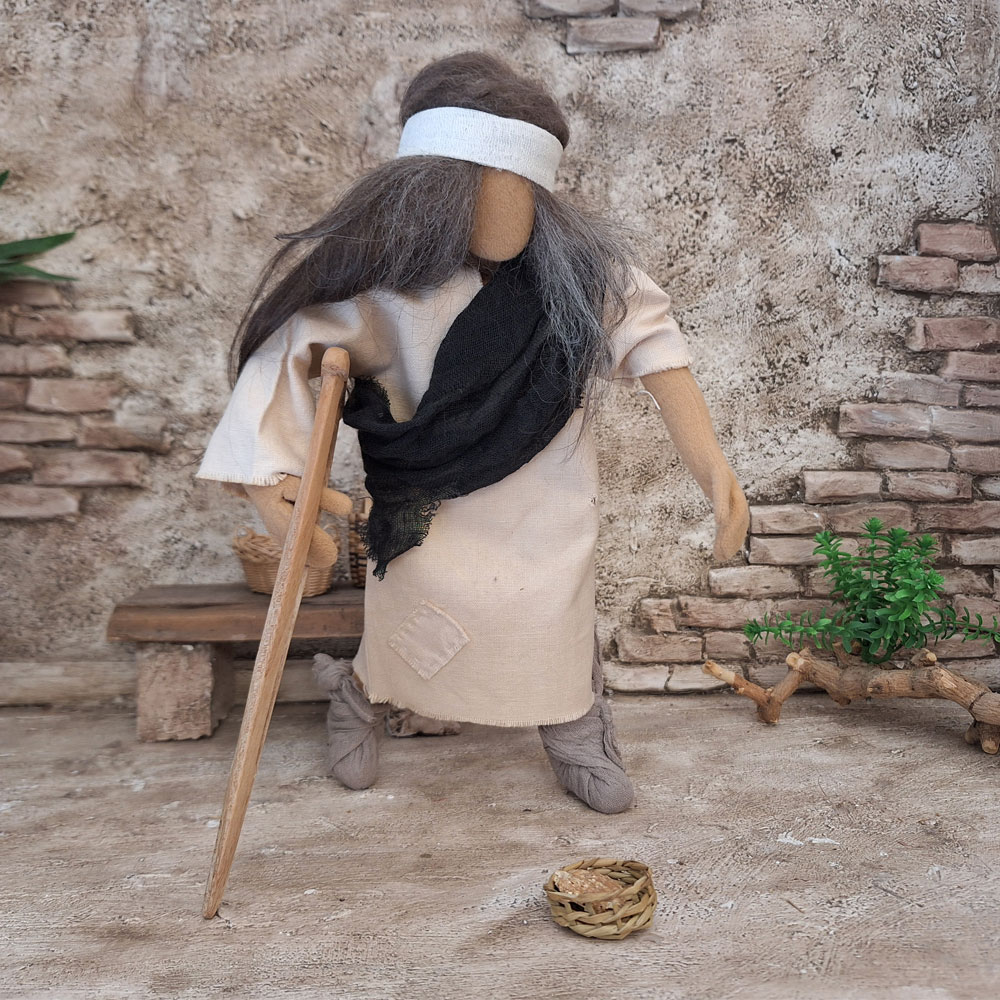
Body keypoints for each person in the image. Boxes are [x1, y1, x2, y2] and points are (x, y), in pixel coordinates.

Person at [197, 52, 749, 814]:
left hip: (546, 504)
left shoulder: (581, 276)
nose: (495, 207)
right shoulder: (384, 287)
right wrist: (272, 482)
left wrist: (714, 471)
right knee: (415, 626)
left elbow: (657, 351)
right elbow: (286, 356)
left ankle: (574, 724)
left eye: (511, 188)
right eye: (478, 187)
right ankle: (361, 694)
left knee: (546, 620)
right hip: (427, 505)